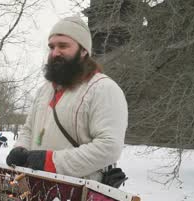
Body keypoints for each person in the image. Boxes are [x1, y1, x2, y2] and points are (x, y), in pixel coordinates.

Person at [7, 16, 128, 182]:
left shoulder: (104, 89)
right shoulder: (45, 90)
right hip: (35, 189)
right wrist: (20, 148)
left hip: (79, 195)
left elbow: (109, 147)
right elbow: (29, 130)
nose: (55, 52)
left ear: (84, 50)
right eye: (51, 47)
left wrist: (51, 161)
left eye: (63, 46)